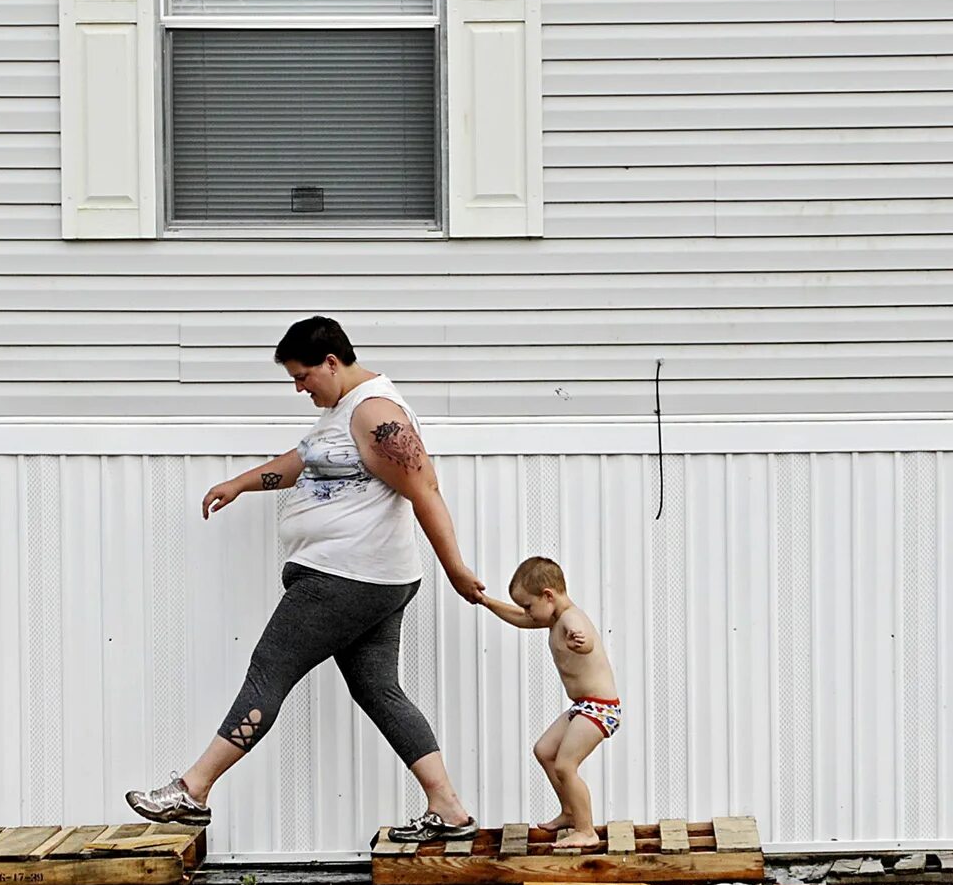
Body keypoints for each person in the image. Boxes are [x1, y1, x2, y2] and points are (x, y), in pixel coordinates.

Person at [126, 317, 485, 843]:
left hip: (345, 576)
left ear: (332, 363)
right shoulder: (344, 411)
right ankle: (448, 807)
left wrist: (455, 567)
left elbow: (424, 486)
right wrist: (242, 483)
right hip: (373, 576)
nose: (299, 387)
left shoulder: (374, 412)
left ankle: (193, 789)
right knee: (379, 689)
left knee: (270, 668)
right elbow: (305, 461)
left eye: (303, 376)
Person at [474, 555, 620, 851]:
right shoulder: (553, 617)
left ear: (548, 596)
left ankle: (585, 829)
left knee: (566, 764)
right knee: (545, 751)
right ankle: (570, 811)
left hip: (600, 708)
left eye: (529, 605)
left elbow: (586, 637)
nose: (526, 612)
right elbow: (520, 619)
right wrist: (486, 602)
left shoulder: (570, 619)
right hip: (583, 707)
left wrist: (583, 642)